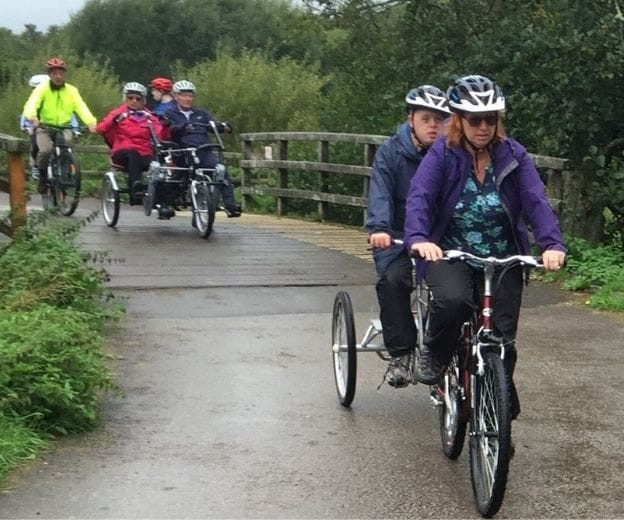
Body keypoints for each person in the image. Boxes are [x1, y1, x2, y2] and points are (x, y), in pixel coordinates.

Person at [404, 74, 566, 419]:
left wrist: (552, 244)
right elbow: (420, 196)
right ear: (459, 120)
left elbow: (535, 200)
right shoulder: (443, 153)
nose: (482, 126)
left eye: (490, 119)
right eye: (475, 119)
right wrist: (420, 239)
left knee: (503, 338)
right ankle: (436, 353)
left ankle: (497, 401)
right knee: (453, 301)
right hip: (451, 251)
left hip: (503, 254)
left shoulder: (513, 154)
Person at [367, 85, 450, 388]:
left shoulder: (452, 154)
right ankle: (400, 353)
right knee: (393, 280)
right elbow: (380, 194)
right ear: (411, 118)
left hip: (438, 236)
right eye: (426, 118)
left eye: (440, 120)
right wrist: (379, 229)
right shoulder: (390, 153)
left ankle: (441, 350)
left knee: (455, 290)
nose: (433, 126)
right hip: (398, 235)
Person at [163, 80, 242, 218]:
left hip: (203, 150)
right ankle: (167, 203)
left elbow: (213, 125)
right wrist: (182, 127)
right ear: (176, 96)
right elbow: (168, 129)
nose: (188, 99)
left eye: (190, 96)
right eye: (184, 95)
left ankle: (230, 206)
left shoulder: (201, 114)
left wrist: (223, 127)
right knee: (179, 177)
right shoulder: (170, 113)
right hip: (182, 151)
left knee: (220, 169)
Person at [21, 57, 97, 194]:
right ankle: (43, 178)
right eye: (54, 73)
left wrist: (90, 122)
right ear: (50, 74)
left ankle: (66, 172)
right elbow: (32, 103)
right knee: (45, 150)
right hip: (45, 126)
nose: (58, 76)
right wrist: (32, 116)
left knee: (68, 145)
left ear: (64, 74)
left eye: (60, 73)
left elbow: (81, 107)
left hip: (64, 126)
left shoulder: (71, 91)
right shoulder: (42, 89)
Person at [96, 82, 163, 207]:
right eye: (130, 98)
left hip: (144, 152)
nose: (134, 101)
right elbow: (101, 129)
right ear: (125, 98)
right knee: (133, 153)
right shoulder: (118, 113)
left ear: (143, 101)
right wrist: (114, 120)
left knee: (158, 165)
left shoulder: (149, 116)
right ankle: (135, 190)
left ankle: (160, 199)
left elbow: (159, 134)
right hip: (122, 152)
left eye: (138, 99)